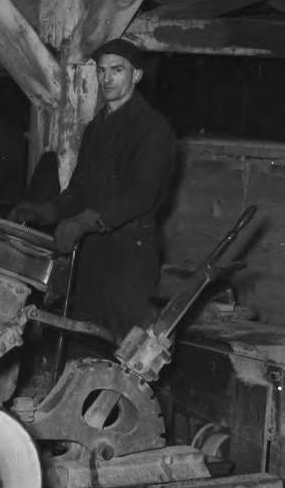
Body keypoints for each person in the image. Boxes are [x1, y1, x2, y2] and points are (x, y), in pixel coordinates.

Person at [10, 38, 176, 341]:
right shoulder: (96, 128)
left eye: (117, 70)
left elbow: (142, 195)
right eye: (102, 71)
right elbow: (80, 189)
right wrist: (46, 210)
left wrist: (86, 220)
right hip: (93, 252)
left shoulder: (153, 129)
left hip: (130, 255)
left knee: (124, 344)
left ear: (136, 75)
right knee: (85, 339)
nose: (107, 79)